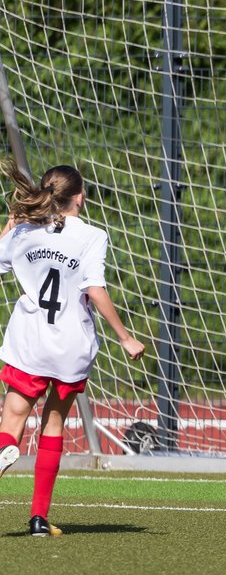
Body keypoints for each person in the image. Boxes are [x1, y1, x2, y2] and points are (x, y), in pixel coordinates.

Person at [0, 161, 146, 536]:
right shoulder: (91, 235)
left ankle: (3, 450)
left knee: (12, 420)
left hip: (31, 342)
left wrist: (11, 225)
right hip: (69, 346)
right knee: (53, 422)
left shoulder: (26, 231)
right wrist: (125, 336)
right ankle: (37, 518)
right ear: (79, 197)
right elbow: (94, 289)